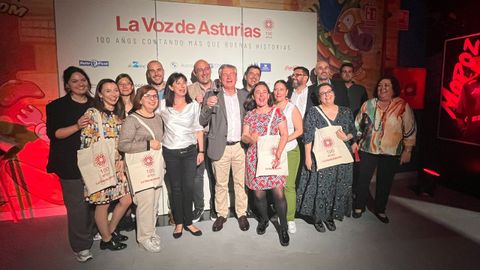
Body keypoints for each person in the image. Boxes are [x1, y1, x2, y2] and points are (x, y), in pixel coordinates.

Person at [46, 66, 95, 262]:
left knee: (94, 202)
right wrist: (77, 126)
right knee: (76, 206)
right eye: (75, 81)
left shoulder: (95, 104)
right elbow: (55, 134)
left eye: (83, 79)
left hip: (94, 162)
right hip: (69, 163)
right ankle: (81, 246)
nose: (80, 84)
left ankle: (90, 234)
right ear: (67, 85)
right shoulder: (56, 106)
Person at [352, 75, 416, 223]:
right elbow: (358, 125)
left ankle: (380, 209)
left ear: (394, 89)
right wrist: (355, 141)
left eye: (387, 85)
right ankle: (359, 206)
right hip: (368, 148)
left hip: (391, 151)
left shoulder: (402, 106)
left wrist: (408, 150)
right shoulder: (368, 104)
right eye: (380, 85)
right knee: (362, 179)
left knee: (385, 181)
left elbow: (410, 129)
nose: (382, 88)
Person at [79, 79, 132, 250]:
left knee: (126, 199)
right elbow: (86, 141)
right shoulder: (93, 113)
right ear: (100, 94)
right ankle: (107, 240)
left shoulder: (118, 114)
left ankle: (109, 231)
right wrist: (103, 163)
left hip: (117, 165)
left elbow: (122, 142)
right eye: (108, 91)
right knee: (103, 204)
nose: (113, 94)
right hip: (101, 166)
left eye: (115, 90)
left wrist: (121, 160)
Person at [297, 83, 356, 232]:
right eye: (322, 93)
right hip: (321, 156)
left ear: (334, 93)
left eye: (329, 91)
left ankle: (330, 216)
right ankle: (318, 217)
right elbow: (308, 136)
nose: (326, 95)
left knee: (337, 186)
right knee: (321, 186)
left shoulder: (346, 112)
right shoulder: (314, 112)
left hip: (341, 157)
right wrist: (307, 157)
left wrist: (347, 136)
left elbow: (353, 132)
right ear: (319, 98)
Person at [199, 64, 250, 232]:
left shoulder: (245, 95)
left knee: (240, 183)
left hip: (240, 147)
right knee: (220, 184)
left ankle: (241, 213)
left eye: (232, 74)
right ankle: (221, 214)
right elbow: (202, 121)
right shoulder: (211, 95)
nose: (228, 77)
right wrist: (208, 106)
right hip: (219, 146)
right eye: (225, 74)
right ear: (220, 78)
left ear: (236, 77)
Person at [242, 82, 289, 246]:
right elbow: (244, 136)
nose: (261, 95)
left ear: (269, 95)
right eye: (257, 93)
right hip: (255, 158)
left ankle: (284, 228)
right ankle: (263, 220)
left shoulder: (277, 112)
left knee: (278, 194)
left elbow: (284, 134)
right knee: (258, 194)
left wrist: (279, 152)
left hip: (273, 156)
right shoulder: (249, 115)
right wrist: (250, 139)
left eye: (264, 92)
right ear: (253, 96)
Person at [118, 85, 164, 252]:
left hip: (156, 166)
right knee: (145, 203)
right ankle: (143, 238)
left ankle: (151, 232)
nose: (153, 99)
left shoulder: (158, 118)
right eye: (148, 96)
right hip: (140, 169)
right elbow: (123, 145)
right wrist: (147, 144)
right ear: (140, 99)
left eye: (155, 96)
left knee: (154, 203)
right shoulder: (132, 119)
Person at [159, 72, 204, 238]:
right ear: (170, 87)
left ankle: (189, 222)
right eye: (178, 83)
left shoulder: (193, 106)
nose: (182, 86)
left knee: (189, 187)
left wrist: (201, 151)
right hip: (170, 152)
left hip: (190, 152)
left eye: (184, 83)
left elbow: (198, 129)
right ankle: (178, 223)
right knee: (176, 189)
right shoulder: (163, 105)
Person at [273, 80, 303, 234]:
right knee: (277, 186)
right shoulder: (271, 108)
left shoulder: (292, 108)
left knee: (289, 186)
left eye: (281, 89)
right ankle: (280, 214)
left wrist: (283, 140)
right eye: (276, 89)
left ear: (286, 92)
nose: (278, 92)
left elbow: (299, 130)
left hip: (291, 150)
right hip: (275, 152)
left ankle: (290, 219)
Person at [187, 59, 214, 222]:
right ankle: (198, 208)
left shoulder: (220, 88)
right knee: (197, 176)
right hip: (198, 137)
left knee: (216, 175)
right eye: (199, 70)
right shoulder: (189, 90)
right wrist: (195, 105)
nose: (204, 72)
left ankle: (216, 208)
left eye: (206, 69)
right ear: (195, 73)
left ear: (210, 70)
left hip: (216, 136)